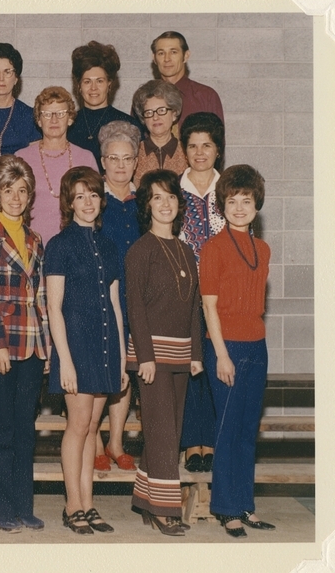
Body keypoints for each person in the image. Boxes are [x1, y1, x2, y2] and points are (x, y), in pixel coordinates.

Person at [45, 166, 127, 536]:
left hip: (106, 346)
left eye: (93, 194)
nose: (88, 202)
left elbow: (115, 304)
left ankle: (89, 504)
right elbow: (54, 307)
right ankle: (72, 504)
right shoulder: (59, 245)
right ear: (69, 203)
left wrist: (123, 359)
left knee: (93, 426)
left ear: (101, 199)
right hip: (75, 348)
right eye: (80, 196)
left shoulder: (108, 246)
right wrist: (64, 359)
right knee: (77, 426)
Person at [0, 155, 49, 533]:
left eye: (22, 191)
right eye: (8, 190)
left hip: (31, 344)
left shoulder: (35, 239)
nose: (16, 197)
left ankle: (22, 504)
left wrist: (45, 347)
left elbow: (41, 297)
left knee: (24, 428)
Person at [125, 169, 203, 537]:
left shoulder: (186, 249)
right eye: (157, 197)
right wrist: (145, 358)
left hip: (181, 353)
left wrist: (197, 353)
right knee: (161, 431)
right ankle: (164, 509)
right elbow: (135, 308)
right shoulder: (140, 250)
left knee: (168, 429)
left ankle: (145, 496)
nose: (166, 203)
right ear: (147, 205)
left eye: (171, 196)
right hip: (152, 355)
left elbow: (194, 308)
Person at [200, 164, 275, 538]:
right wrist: (222, 354)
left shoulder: (263, 248)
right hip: (225, 345)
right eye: (232, 201)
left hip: (257, 345)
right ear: (222, 205)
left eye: (247, 201)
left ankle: (246, 504)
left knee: (248, 430)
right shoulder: (213, 248)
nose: (240, 207)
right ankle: (226, 508)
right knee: (227, 430)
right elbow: (209, 306)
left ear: (256, 205)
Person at [178, 111, 226, 473]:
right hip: (183, 292)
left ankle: (210, 441)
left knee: (213, 365)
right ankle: (190, 443)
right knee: (188, 368)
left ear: (217, 150)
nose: (199, 152)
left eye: (206, 145)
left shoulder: (229, 192)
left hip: (220, 295)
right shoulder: (174, 192)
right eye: (192, 146)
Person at [94, 121, 143, 473]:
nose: (120, 165)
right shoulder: (93, 199)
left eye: (127, 158)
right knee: (96, 369)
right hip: (98, 297)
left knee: (125, 368)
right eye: (113, 158)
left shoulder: (144, 202)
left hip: (134, 298)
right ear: (102, 161)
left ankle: (115, 442)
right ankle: (94, 441)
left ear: (137, 161)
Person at [15, 86, 97, 245]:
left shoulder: (86, 158)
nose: (54, 120)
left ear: (71, 118)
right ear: (39, 120)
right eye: (47, 114)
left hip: (76, 246)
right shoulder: (21, 157)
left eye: (60, 114)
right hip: (31, 246)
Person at [68, 41, 143, 172]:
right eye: (87, 82)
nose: (93, 88)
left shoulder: (129, 124)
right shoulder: (67, 124)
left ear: (109, 83)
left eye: (100, 81)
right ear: (79, 86)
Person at [151, 31, 224, 131]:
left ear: (185, 56)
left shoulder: (207, 96)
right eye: (161, 53)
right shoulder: (145, 96)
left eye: (173, 52)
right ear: (154, 58)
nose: (167, 59)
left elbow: (217, 143)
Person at [131, 80, 188, 186]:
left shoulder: (187, 151)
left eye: (161, 110)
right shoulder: (134, 151)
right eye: (149, 112)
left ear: (174, 114)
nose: (155, 117)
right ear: (143, 119)